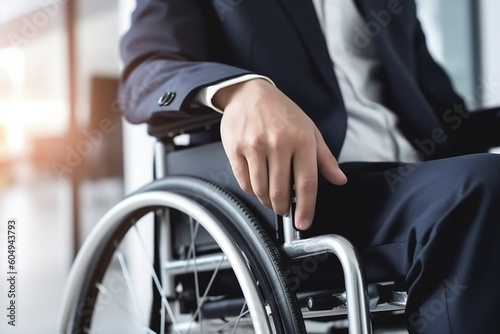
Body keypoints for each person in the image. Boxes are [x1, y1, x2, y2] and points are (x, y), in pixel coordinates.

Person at [118, 0, 500, 332]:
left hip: (419, 179)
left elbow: (446, 115)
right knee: (480, 187)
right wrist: (241, 89)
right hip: (303, 196)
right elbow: (145, 72)